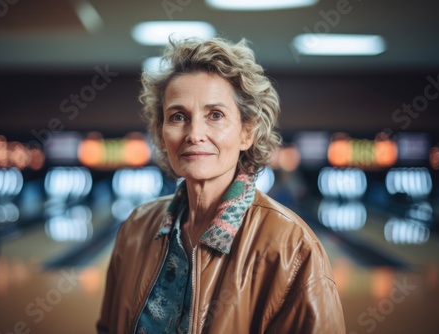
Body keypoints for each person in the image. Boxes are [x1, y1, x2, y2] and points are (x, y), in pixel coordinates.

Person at [97, 37, 345, 334]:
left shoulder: (291, 248)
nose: (194, 134)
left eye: (215, 115)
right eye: (178, 117)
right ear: (162, 133)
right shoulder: (135, 229)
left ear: (246, 132)